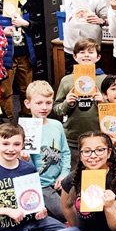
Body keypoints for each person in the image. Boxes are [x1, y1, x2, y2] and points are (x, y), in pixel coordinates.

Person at [53, 38, 107, 171]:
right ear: (75, 57)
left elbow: (115, 111)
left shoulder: (105, 80)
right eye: (82, 52)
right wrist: (67, 103)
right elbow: (57, 109)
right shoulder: (67, 81)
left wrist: (103, 102)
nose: (86, 55)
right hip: (73, 139)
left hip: (99, 137)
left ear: (98, 57)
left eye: (91, 52)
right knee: (74, 176)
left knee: (97, 173)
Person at [23, 81, 70, 222]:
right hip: (41, 185)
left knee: (80, 209)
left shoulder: (57, 125)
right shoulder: (24, 129)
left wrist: (64, 175)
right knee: (65, 214)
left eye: (48, 103)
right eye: (39, 103)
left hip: (61, 181)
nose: (44, 107)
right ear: (27, 104)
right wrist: (24, 158)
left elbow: (65, 152)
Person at [53, 0, 107, 74]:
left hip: (91, 48)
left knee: (92, 77)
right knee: (72, 78)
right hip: (71, 47)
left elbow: (107, 19)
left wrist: (101, 20)